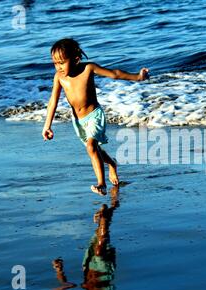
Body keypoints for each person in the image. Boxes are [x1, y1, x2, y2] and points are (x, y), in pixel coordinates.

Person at [42, 38, 149, 195]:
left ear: (76, 59)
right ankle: (112, 163)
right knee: (94, 149)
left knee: (91, 147)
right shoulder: (59, 77)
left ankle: (101, 184)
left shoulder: (88, 69)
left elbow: (115, 74)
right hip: (78, 121)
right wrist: (47, 125)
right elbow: (53, 101)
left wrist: (138, 77)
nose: (58, 67)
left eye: (62, 62)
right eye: (55, 63)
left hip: (94, 116)